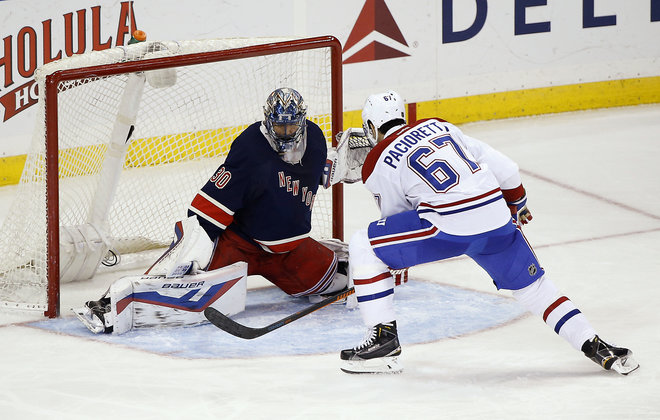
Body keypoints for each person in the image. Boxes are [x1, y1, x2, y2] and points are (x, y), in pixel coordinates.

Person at [339, 90, 639, 375]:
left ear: (369, 126)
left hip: (445, 227)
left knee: (364, 245)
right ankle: (595, 344)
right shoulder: (439, 126)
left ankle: (383, 341)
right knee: (535, 289)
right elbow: (506, 170)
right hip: (496, 216)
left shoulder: (378, 160)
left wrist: (392, 264)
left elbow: (397, 217)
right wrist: (517, 205)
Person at [75, 87, 350, 334]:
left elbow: (322, 171)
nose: (286, 134)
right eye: (280, 128)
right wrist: (188, 254)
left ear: (301, 123)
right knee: (181, 282)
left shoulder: (314, 138)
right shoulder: (250, 149)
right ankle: (112, 302)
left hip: (287, 251)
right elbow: (205, 212)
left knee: (339, 279)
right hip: (240, 246)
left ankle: (342, 259)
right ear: (268, 122)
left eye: (291, 128)